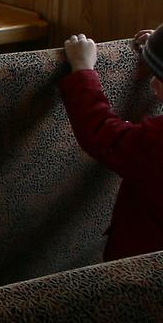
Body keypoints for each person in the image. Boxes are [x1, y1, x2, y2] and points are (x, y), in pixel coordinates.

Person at [61, 28, 163, 261]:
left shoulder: (155, 142)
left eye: (160, 78)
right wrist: (155, 50)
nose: (153, 84)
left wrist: (82, 69)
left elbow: (100, 130)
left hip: (141, 269)